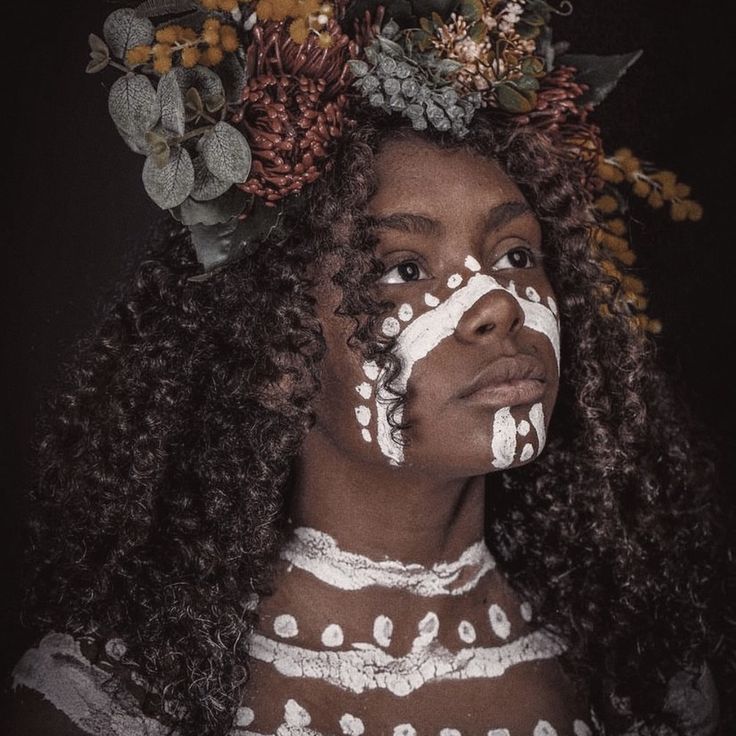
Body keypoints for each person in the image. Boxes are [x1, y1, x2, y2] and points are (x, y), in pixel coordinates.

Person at [4, 1, 733, 735]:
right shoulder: (119, 702)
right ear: (275, 350)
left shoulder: (640, 675)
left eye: (516, 256)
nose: (499, 307)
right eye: (405, 268)